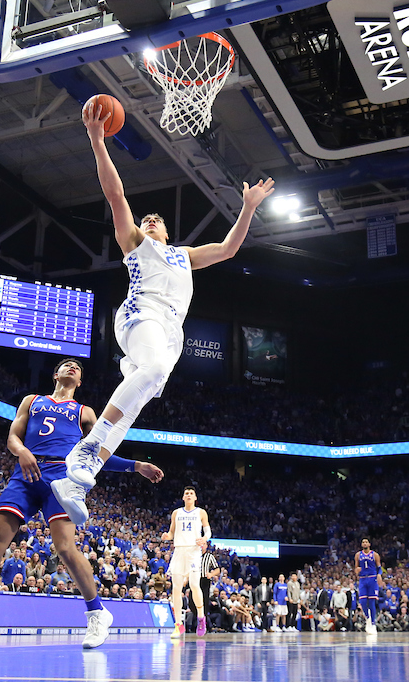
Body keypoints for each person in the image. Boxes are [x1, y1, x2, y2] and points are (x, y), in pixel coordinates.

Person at [51, 99, 275, 525]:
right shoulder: (137, 243)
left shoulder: (185, 255)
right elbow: (115, 194)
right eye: (147, 218)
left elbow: (228, 250)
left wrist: (247, 208)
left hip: (171, 334)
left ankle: (78, 480)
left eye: (157, 219)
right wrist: (98, 141)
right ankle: (83, 450)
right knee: (150, 372)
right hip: (140, 315)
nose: (150, 221)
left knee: (137, 401)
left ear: (169, 231)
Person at [0, 358, 163, 651]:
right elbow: (13, 436)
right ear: (55, 374)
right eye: (66, 365)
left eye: (77, 368)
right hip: (26, 472)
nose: (71, 367)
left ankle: (97, 613)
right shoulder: (32, 400)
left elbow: (99, 452)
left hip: (63, 475)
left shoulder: (84, 411)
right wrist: (23, 452)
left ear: (79, 382)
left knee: (65, 548)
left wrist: (134, 465)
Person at [162, 487, 211, 639]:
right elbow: (171, 532)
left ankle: (201, 618)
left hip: (194, 551)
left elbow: (208, 531)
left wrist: (204, 539)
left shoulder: (201, 512)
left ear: (195, 497)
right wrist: (166, 536)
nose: (188, 495)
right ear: (183, 497)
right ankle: (178, 625)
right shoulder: (176, 513)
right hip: (179, 551)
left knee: (195, 585)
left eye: (191, 493)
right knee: (176, 589)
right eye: (186, 493)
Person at [354, 538, 384, 634]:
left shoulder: (375, 555)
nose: (365, 543)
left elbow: (379, 568)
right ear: (361, 544)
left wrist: (379, 575)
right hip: (363, 579)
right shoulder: (358, 555)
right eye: (363, 542)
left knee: (371, 602)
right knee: (362, 601)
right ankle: (368, 618)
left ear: (369, 544)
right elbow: (356, 569)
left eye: (366, 542)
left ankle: (373, 624)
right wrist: (356, 571)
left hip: (372, 578)